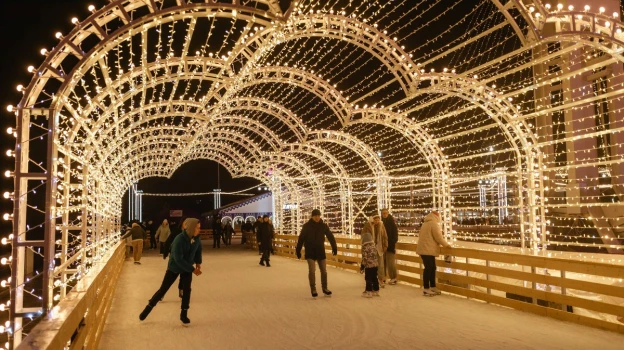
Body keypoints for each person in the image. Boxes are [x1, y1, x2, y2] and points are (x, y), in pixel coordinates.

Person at [139, 218, 203, 325]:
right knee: (163, 290)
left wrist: (198, 263)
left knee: (187, 290)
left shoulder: (197, 239)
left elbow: (198, 250)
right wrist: (192, 269)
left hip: (187, 267)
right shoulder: (179, 239)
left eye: (199, 228)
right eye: (197, 228)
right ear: (191, 228)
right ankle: (148, 308)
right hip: (174, 267)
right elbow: (178, 259)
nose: (199, 230)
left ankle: (184, 314)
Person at [296, 209, 338, 297]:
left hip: (320, 251)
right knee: (312, 270)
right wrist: (298, 250)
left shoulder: (323, 226)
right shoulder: (307, 226)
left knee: (324, 271)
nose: (317, 217)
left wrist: (334, 247)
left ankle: (325, 288)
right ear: (312, 216)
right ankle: (313, 289)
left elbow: (330, 236)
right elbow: (301, 239)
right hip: (310, 251)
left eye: (318, 216)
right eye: (315, 216)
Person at [416, 211, 452, 297]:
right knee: (429, 268)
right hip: (427, 249)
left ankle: (432, 286)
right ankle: (426, 288)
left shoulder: (425, 223)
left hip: (426, 249)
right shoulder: (433, 223)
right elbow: (438, 237)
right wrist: (446, 245)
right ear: (437, 216)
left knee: (432, 267)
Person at [381, 209, 399, 285]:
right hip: (382, 246)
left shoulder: (391, 223)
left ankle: (393, 277)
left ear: (388, 213)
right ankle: (383, 277)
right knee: (383, 262)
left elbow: (395, 235)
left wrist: (391, 242)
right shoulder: (381, 223)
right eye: (383, 213)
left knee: (390, 263)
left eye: (386, 213)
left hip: (390, 246)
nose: (384, 214)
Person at [360, 229, 379, 298]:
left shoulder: (364, 247)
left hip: (368, 266)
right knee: (374, 277)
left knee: (368, 278)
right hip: (375, 265)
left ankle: (369, 291)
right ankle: (376, 290)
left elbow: (364, 258)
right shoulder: (374, 246)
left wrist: (362, 266)